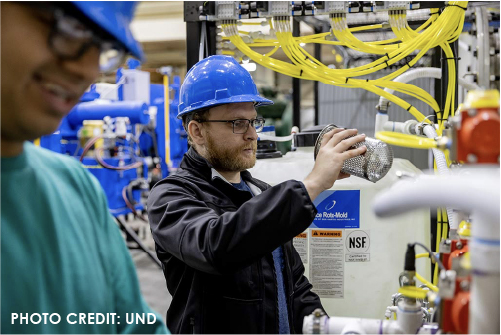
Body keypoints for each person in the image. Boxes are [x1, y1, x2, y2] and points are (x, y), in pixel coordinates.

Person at [147, 55, 367, 334]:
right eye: (237, 123)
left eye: (253, 121)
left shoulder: (260, 192)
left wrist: (323, 327)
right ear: (197, 131)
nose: (252, 134)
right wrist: (312, 184)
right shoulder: (171, 196)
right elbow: (217, 246)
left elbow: (295, 286)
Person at [1, 2, 168, 333]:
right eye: (68, 26)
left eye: (103, 46)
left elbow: (130, 326)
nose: (88, 69)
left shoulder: (76, 187)